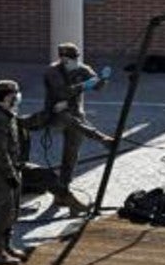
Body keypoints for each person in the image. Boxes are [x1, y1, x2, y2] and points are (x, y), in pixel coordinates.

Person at [0, 80, 89, 265]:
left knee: (13, 211)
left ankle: (7, 247)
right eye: (16, 93)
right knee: (3, 212)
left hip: (15, 168)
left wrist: (53, 111)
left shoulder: (8, 115)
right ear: (9, 97)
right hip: (2, 172)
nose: (18, 97)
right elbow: (0, 151)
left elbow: (29, 122)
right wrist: (10, 175)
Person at [43, 42, 115, 186]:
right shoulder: (52, 71)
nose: (73, 62)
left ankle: (65, 184)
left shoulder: (82, 69)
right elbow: (61, 92)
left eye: (75, 59)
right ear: (62, 59)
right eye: (69, 59)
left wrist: (103, 79)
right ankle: (100, 138)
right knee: (70, 120)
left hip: (76, 112)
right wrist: (83, 85)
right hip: (56, 112)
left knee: (72, 151)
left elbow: (97, 86)